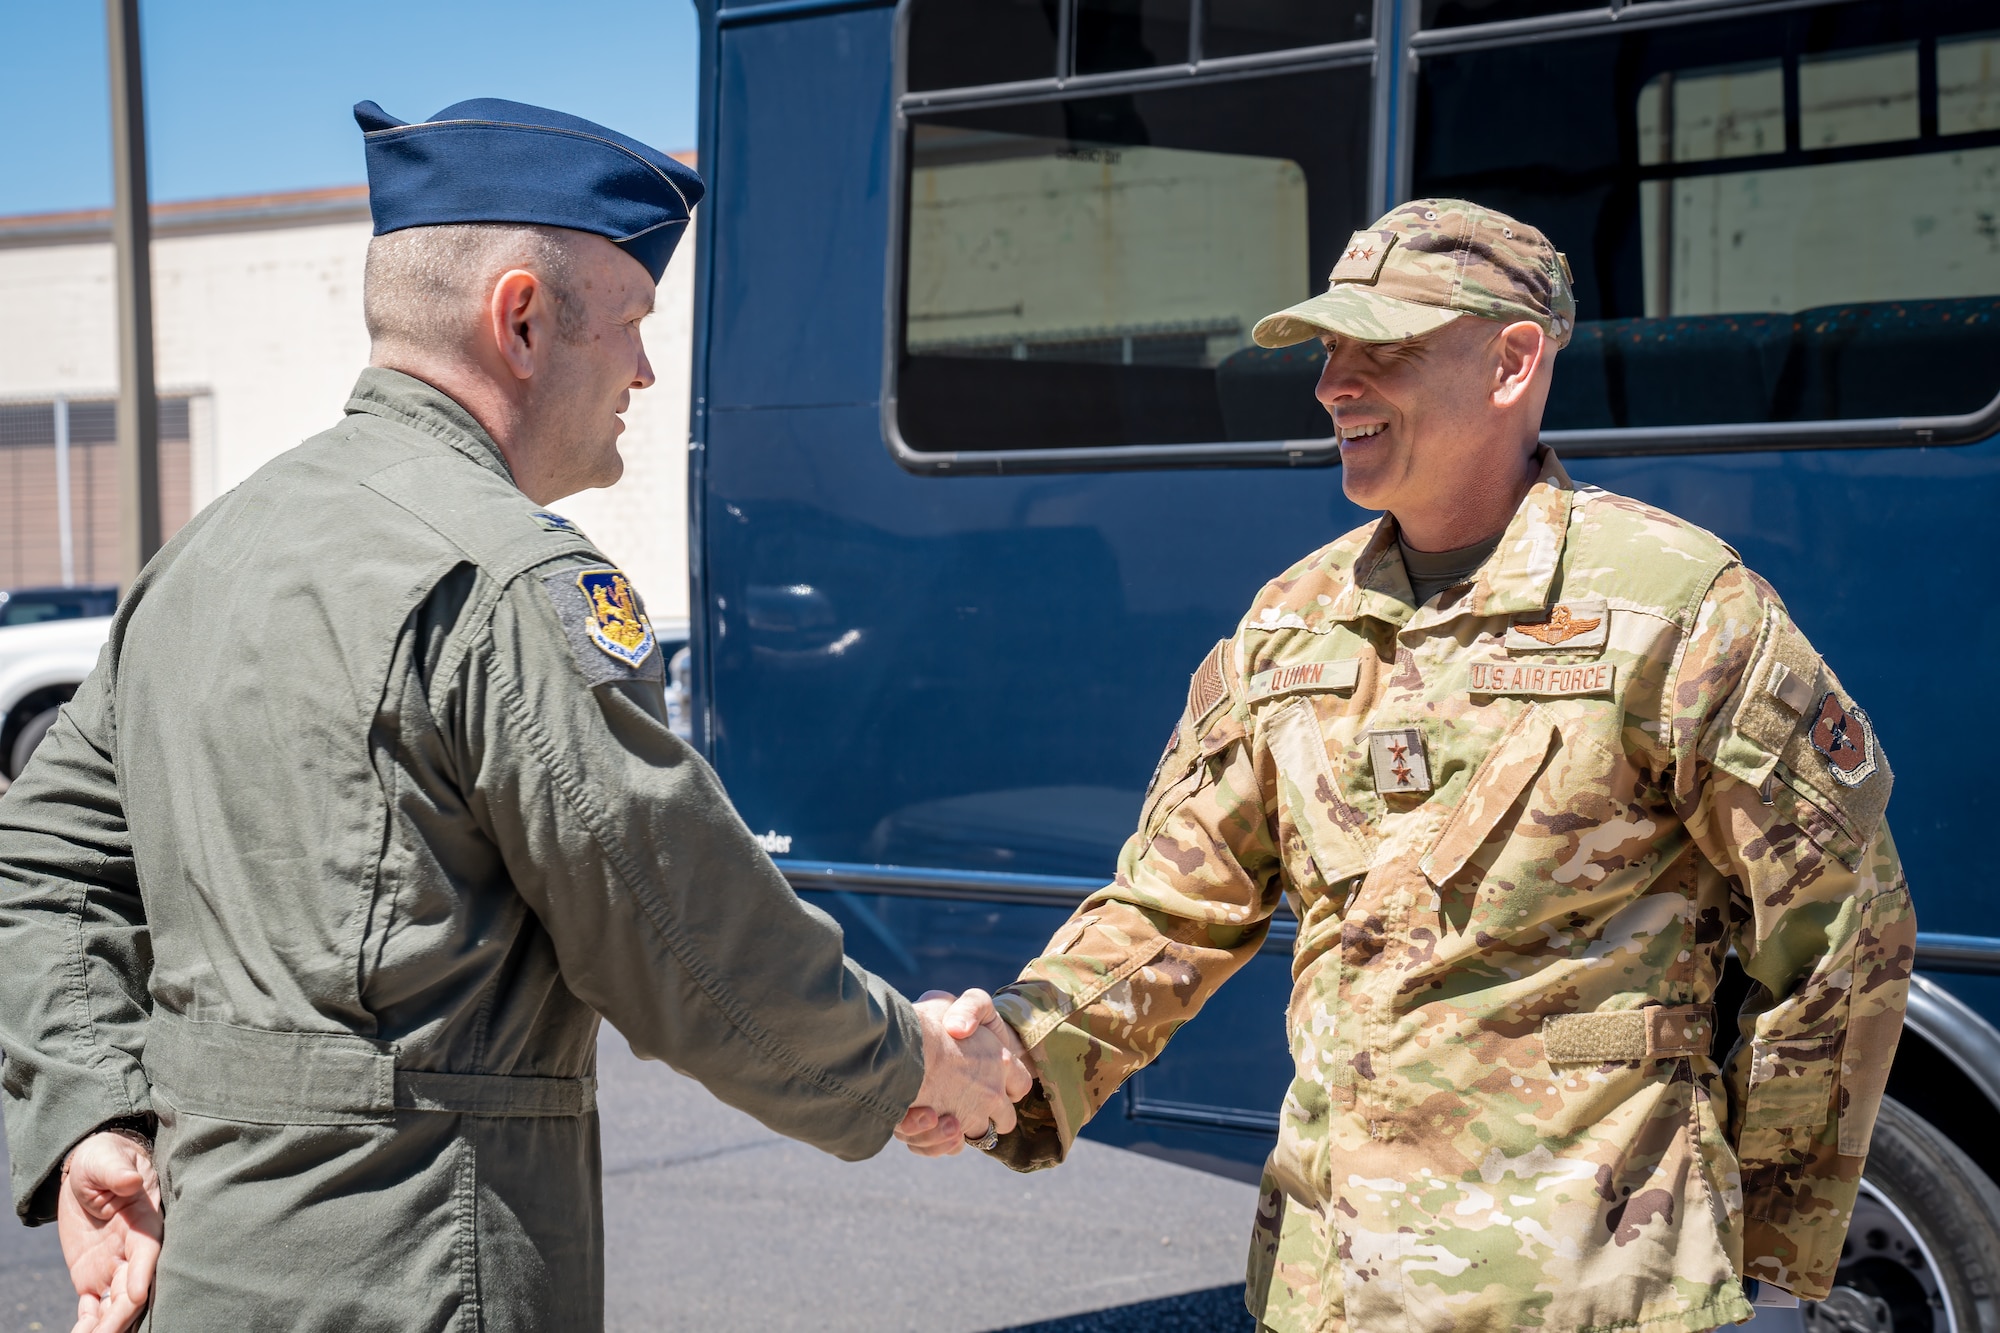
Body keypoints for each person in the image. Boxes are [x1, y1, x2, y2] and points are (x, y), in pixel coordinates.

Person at [0, 98, 1027, 1333]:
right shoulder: (509, 579)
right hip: (419, 1270)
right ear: (524, 319)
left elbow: (41, 866)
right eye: (636, 324)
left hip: (198, 1275)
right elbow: (684, 932)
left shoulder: (205, 554)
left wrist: (90, 1110)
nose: (646, 372)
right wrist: (916, 1065)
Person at [898, 200, 1915, 1332]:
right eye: (1328, 351)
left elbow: (1840, 929)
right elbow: (1175, 908)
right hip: (1327, 1288)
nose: (1333, 384)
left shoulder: (1674, 607)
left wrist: (1764, 1256)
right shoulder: (1289, 623)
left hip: (1587, 1292)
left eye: (1378, 349)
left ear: (1511, 361)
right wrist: (1015, 1054)